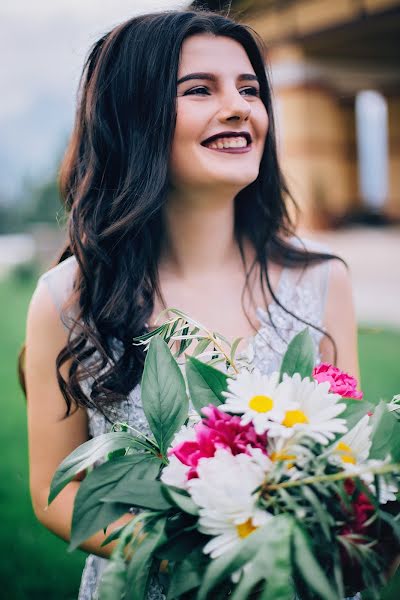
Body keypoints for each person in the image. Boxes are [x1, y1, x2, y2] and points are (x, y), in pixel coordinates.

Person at [23, 9, 361, 600]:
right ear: (132, 118)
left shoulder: (323, 281)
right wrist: (205, 553)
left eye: (250, 89)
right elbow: (57, 492)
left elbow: (343, 461)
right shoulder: (68, 298)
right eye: (199, 90)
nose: (239, 106)